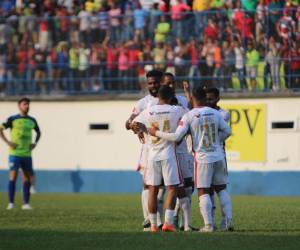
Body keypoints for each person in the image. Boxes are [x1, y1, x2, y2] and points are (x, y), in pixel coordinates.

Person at [149, 87, 232, 232]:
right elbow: (228, 131)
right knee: (222, 189)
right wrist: (216, 142)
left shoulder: (189, 115)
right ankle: (227, 222)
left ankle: (208, 226)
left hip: (202, 158)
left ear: (192, 98)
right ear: (205, 99)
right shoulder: (215, 113)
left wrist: (156, 132)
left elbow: (176, 137)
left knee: (202, 190)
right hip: (219, 155)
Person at [133, 85, 189, 232]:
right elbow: (189, 115)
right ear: (171, 97)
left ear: (158, 96)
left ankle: (152, 225)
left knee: (153, 189)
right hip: (168, 153)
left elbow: (134, 124)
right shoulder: (176, 110)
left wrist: (141, 131)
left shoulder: (148, 111)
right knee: (172, 188)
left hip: (152, 155)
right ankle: (168, 223)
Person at [125, 69, 163, 231]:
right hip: (149, 149)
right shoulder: (143, 103)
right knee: (148, 185)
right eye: (150, 83)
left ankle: (165, 220)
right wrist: (135, 127)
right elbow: (128, 123)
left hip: (167, 149)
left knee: (166, 187)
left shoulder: (170, 100)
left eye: (155, 83)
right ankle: (149, 219)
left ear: (162, 82)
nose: (153, 86)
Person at [0, 97, 41, 210]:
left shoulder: (32, 120)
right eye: (24, 104)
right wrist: (8, 142)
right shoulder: (12, 119)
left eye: (28, 104)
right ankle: (11, 203)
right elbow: (0, 129)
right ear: (19, 106)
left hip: (27, 154)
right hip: (15, 154)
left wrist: (35, 143)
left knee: (26, 178)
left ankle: (26, 203)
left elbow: (39, 132)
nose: (27, 106)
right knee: (13, 177)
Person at [206, 87, 234, 231]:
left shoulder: (223, 114)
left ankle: (225, 220)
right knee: (212, 189)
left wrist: (214, 142)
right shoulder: (213, 113)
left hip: (214, 154)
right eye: (206, 98)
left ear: (218, 99)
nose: (208, 101)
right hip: (217, 154)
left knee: (218, 188)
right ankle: (219, 222)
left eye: (211, 98)